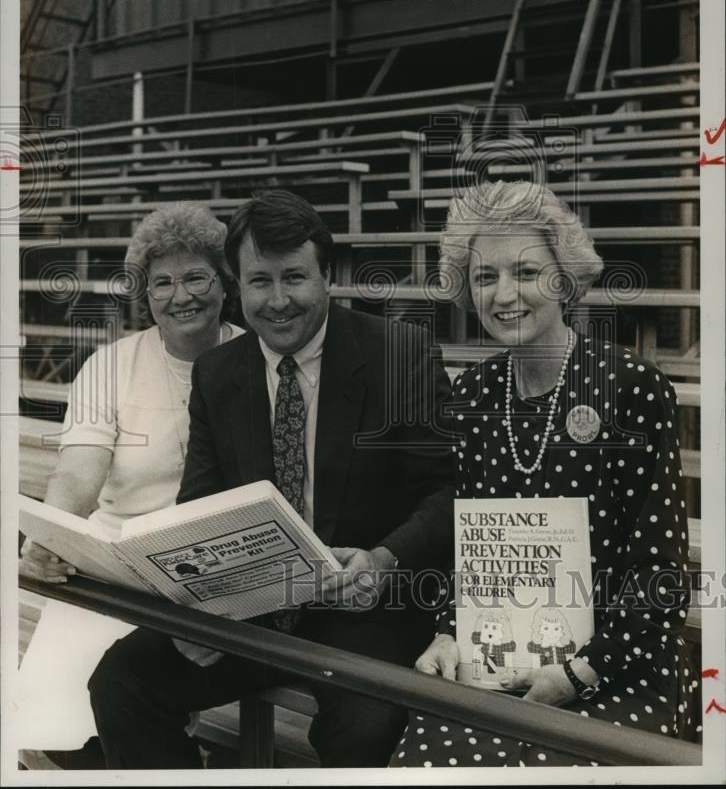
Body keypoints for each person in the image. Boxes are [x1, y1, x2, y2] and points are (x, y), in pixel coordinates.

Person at [88, 188, 455, 769]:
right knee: (121, 680)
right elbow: (199, 504)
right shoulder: (217, 371)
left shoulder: (399, 354)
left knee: (365, 729)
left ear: (327, 276)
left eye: (295, 278)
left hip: (364, 609)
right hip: (253, 603)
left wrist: (384, 559)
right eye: (260, 281)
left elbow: (446, 492)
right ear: (238, 284)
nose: (278, 301)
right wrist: (195, 612)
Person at [390, 180, 698, 768]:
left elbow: (660, 571)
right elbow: (472, 550)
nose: (505, 294)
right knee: (426, 762)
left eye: (526, 271)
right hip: (501, 659)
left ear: (564, 278)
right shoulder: (473, 394)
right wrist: (449, 633)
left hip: (620, 662)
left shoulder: (631, 387)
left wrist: (581, 671)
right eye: (484, 278)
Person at [18, 201, 243, 767]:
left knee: (124, 700)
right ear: (145, 295)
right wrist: (49, 538)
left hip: (214, 571)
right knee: (48, 725)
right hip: (116, 564)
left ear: (225, 282)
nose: (180, 295)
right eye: (162, 282)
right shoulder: (113, 365)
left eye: (196, 277)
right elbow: (78, 473)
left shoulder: (255, 358)